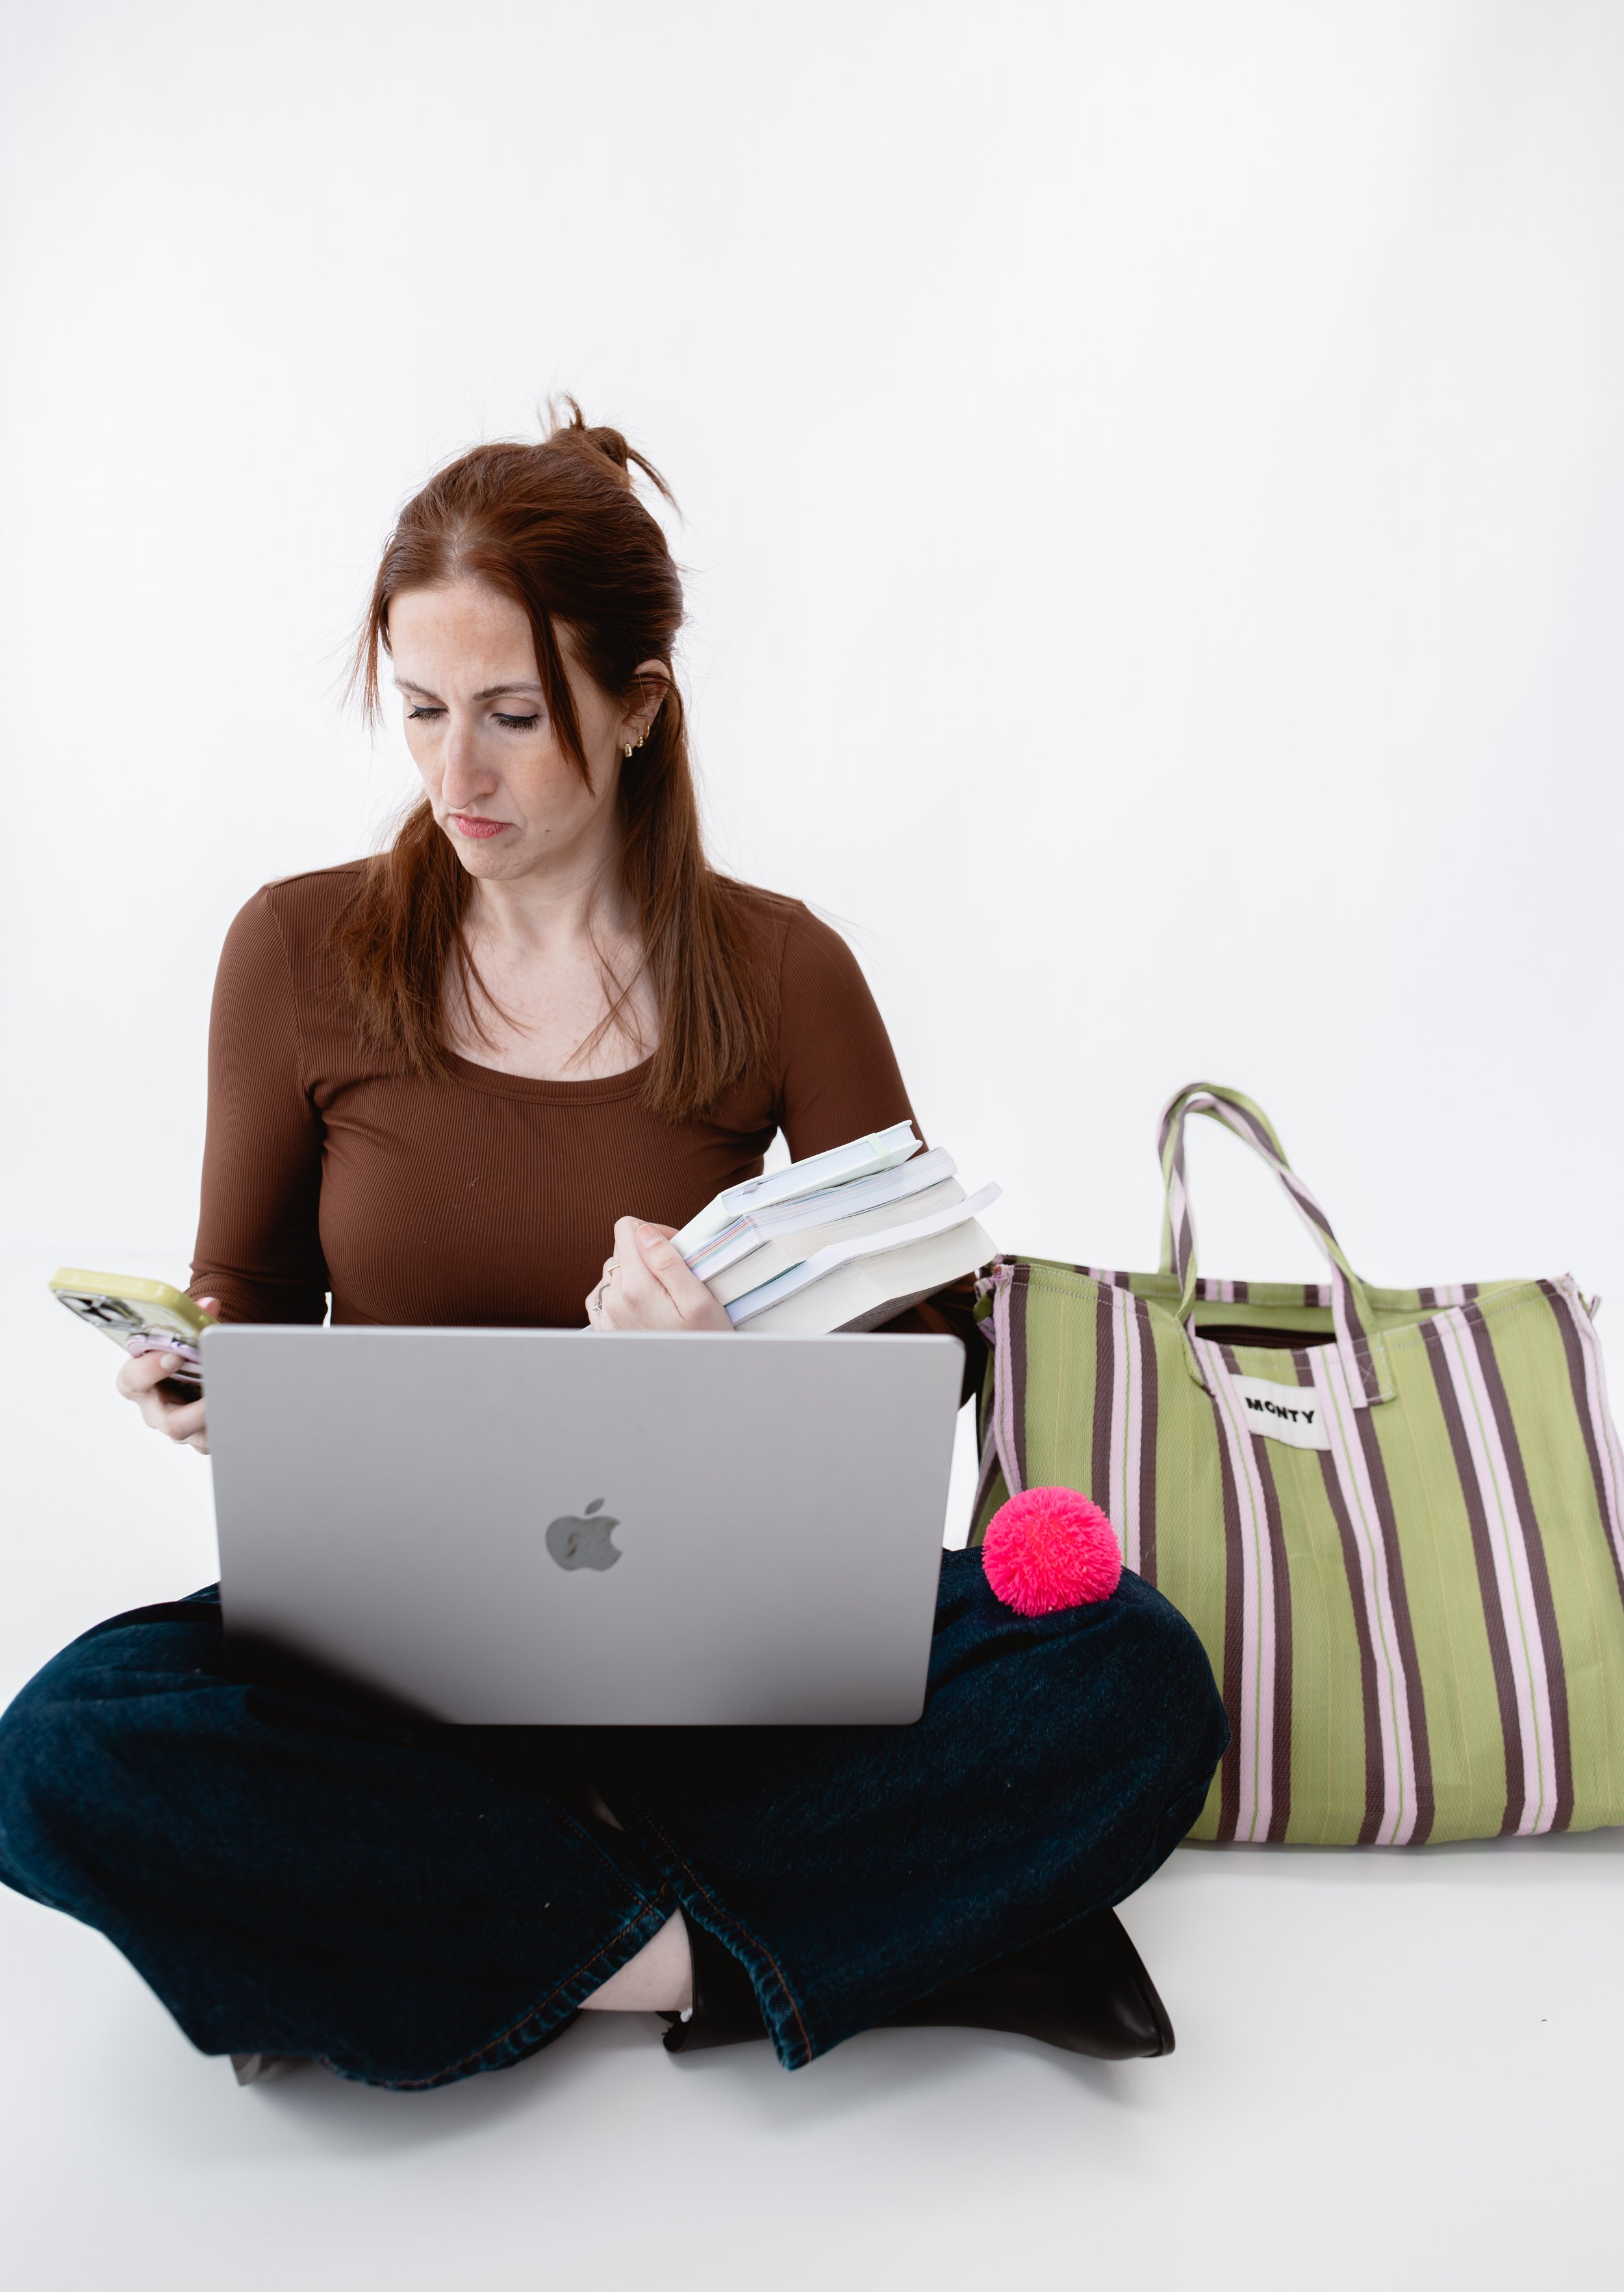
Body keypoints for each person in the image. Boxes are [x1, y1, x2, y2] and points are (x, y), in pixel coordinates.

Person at [0, 411, 1227, 2088]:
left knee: (1131, 1672)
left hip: (727, 1675)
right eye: (421, 714)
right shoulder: (294, 950)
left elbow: (931, 1367)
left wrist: (725, 1373)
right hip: (394, 1670)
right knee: (65, 1749)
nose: (456, 779)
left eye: (513, 717)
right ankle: (745, 1953)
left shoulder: (784, 971)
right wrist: (215, 1382)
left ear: (640, 707)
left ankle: (442, 1947)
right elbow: (260, 1302)